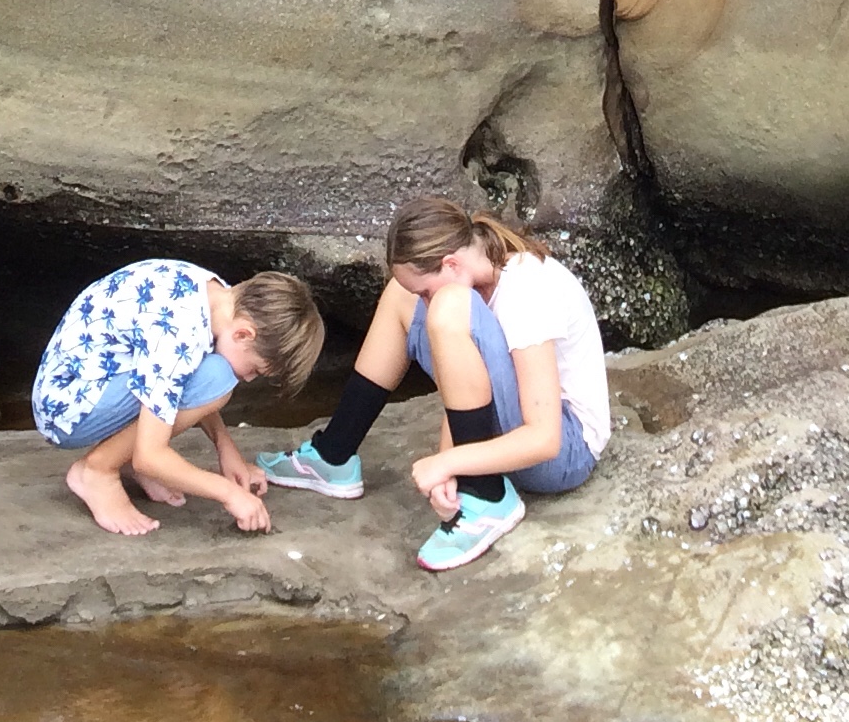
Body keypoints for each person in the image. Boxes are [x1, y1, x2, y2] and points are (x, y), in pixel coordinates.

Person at [258, 195, 608, 569]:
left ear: (451, 263)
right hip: (513, 428)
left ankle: (486, 499)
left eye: (425, 290)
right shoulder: (472, 274)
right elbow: (475, 381)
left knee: (448, 305)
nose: (424, 303)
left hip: (565, 453)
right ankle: (334, 454)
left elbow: (545, 439)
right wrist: (449, 470)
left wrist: (449, 462)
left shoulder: (524, 290)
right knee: (401, 293)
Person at [33, 256, 324, 539]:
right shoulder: (178, 334)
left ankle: (120, 455)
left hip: (82, 384)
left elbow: (183, 378)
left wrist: (225, 446)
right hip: (67, 412)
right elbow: (150, 456)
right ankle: (98, 470)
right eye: (255, 369)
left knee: (213, 374)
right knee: (220, 377)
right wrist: (229, 493)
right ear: (243, 334)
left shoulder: (216, 295)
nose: (248, 379)